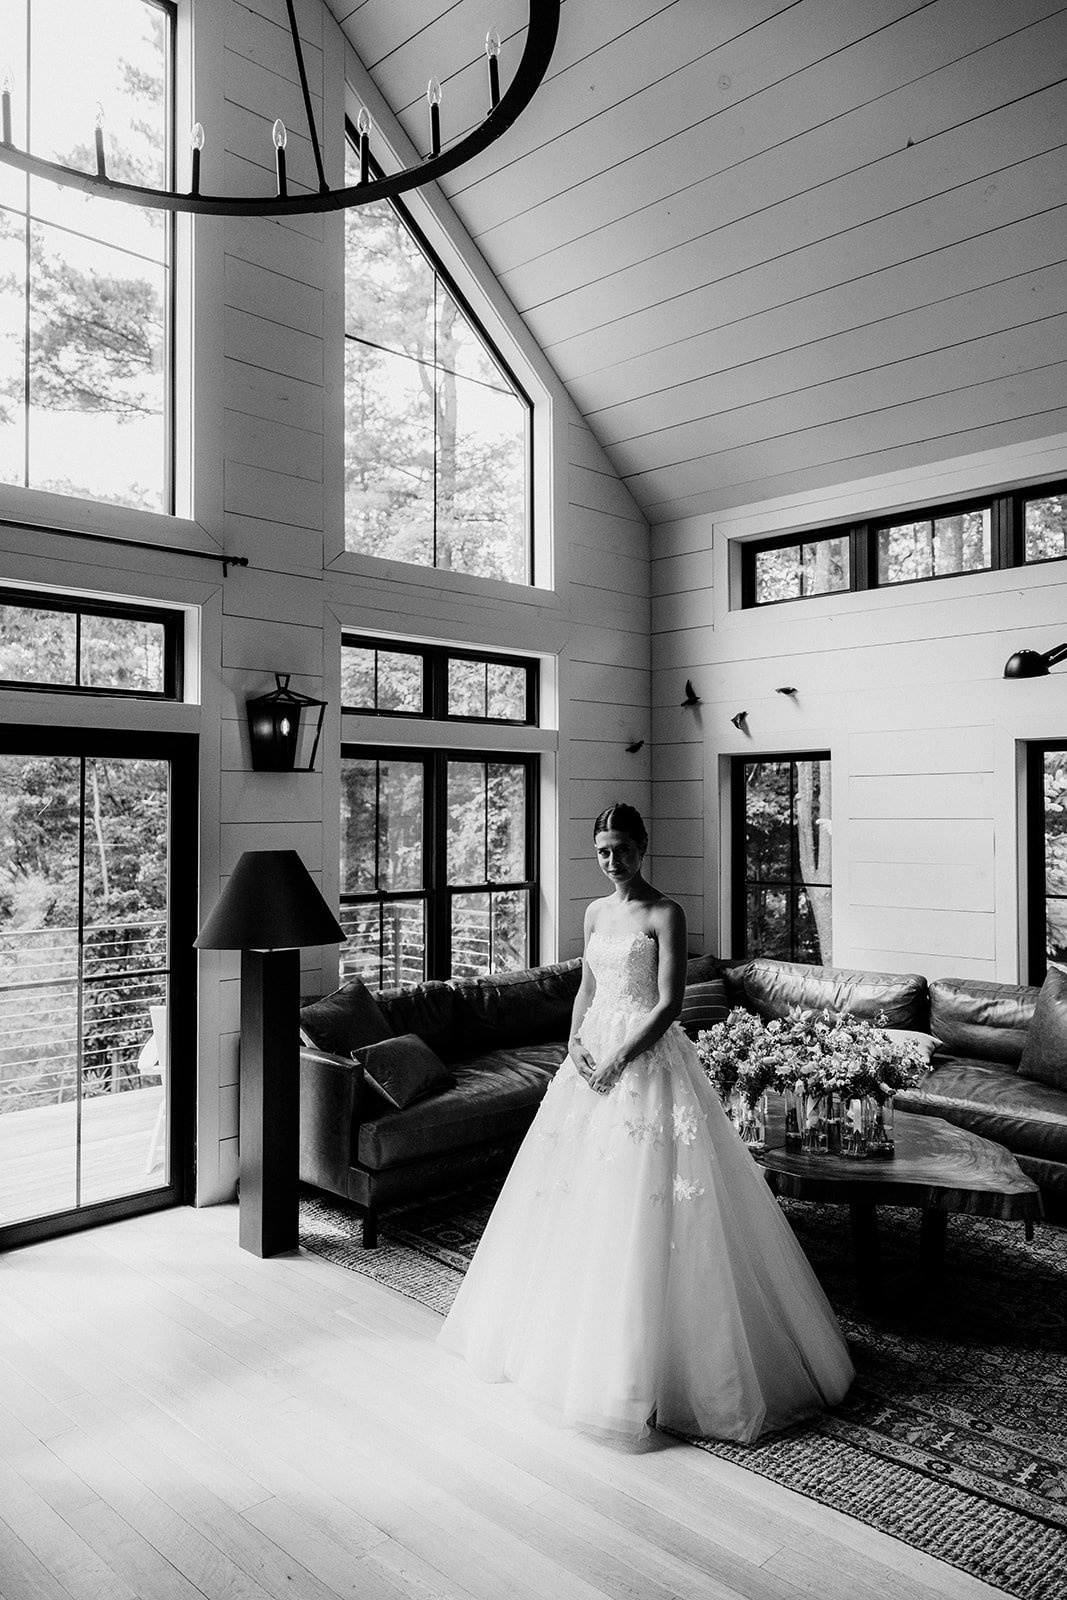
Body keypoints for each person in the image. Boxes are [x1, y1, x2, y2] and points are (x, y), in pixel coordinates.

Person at [438, 802, 854, 1443]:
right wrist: (575, 1043)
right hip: (590, 1059)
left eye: (622, 849)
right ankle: (575, 1354)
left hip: (645, 1060)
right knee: (577, 1200)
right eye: (603, 851)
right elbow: (585, 989)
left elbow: (669, 1003)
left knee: (657, 1201)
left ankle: (664, 1371)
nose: (612, 862)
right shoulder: (595, 912)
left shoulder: (666, 912)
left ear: (644, 846)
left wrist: (620, 1055)